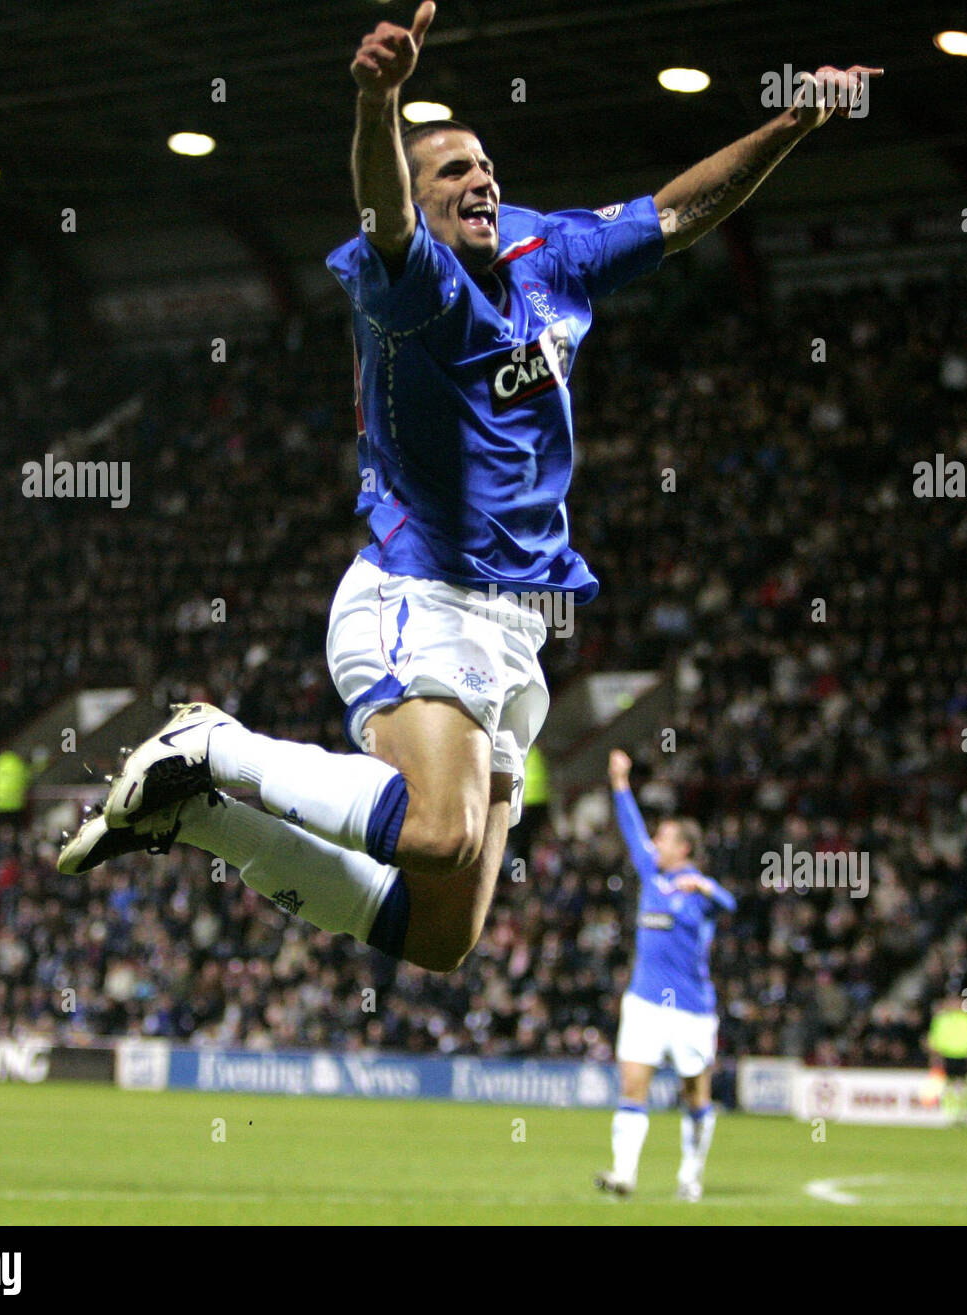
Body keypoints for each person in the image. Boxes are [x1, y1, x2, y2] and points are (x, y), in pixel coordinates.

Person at [59, 0, 880, 975]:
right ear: (417, 201)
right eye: (452, 171)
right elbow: (384, 214)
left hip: (519, 622)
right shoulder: (412, 288)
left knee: (442, 932)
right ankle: (213, 747)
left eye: (485, 166)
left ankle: (198, 818)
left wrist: (795, 122)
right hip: (422, 593)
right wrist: (378, 106)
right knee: (440, 834)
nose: (480, 179)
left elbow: (675, 211)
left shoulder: (548, 255)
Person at [594, 750, 735, 1202]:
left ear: (685, 849)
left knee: (696, 1095)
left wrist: (707, 886)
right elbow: (632, 827)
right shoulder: (652, 877)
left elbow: (733, 906)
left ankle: (690, 1176)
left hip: (691, 1009)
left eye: (666, 838)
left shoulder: (699, 893)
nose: (656, 842)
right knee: (632, 1085)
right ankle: (624, 1175)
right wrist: (620, 782)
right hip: (645, 1001)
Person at [926, 995, 967, 1126]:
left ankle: (964, 1113)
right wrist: (935, 1056)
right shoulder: (941, 1019)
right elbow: (935, 1038)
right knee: (948, 1086)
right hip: (947, 1055)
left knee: (964, 1086)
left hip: (964, 1055)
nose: (955, 1005)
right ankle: (950, 1113)